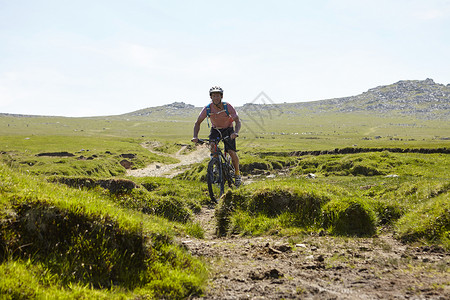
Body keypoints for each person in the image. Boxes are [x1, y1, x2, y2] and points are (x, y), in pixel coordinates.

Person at [192, 86, 242, 187]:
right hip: (215, 130)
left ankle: (237, 174)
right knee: (212, 146)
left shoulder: (227, 106)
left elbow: (237, 121)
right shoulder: (207, 108)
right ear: (211, 97)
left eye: (218, 96)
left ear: (221, 96)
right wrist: (195, 136)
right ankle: (216, 163)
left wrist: (235, 132)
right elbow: (197, 123)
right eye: (214, 96)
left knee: (232, 152)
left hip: (228, 129)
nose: (216, 98)